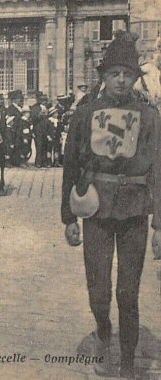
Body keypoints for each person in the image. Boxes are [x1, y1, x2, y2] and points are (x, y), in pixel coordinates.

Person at [61, 35, 161, 378]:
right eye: (114, 73)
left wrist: (159, 225)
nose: (121, 80)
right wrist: (68, 218)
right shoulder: (85, 113)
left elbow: (158, 170)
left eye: (127, 74)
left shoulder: (149, 117)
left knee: (128, 293)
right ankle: (103, 336)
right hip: (97, 211)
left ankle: (129, 361)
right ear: (103, 76)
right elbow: (70, 166)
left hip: (135, 212)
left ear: (135, 78)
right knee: (99, 291)